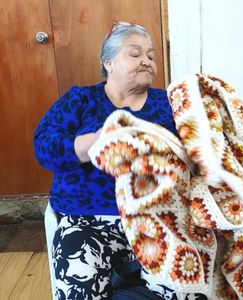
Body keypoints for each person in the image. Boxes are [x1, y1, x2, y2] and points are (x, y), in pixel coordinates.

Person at [34, 21, 205, 300]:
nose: (146, 61)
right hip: (88, 219)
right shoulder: (81, 99)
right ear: (108, 62)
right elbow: (44, 145)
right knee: (81, 278)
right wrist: (91, 142)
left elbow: (199, 152)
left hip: (161, 221)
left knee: (186, 287)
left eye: (150, 56)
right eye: (135, 54)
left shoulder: (170, 104)